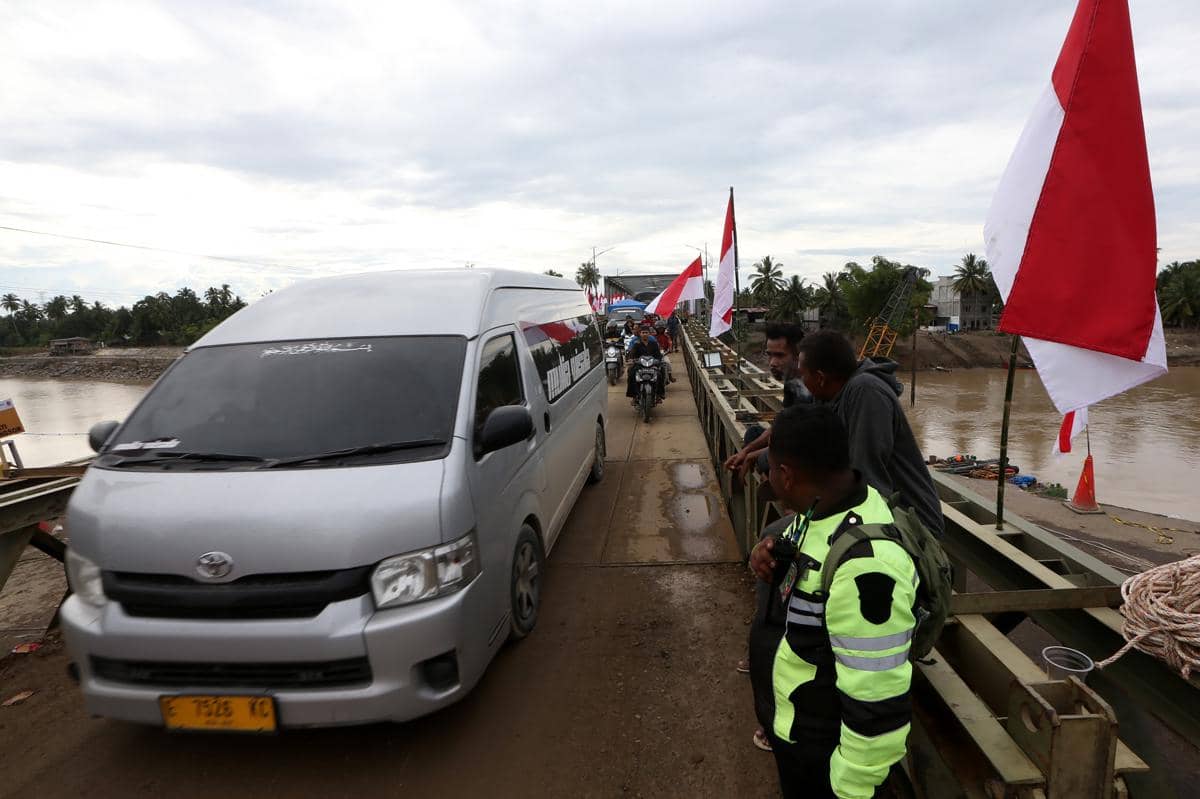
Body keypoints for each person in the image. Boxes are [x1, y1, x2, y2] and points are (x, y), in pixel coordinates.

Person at [748, 405, 916, 799]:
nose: (768, 478)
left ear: (786, 475)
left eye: (770, 470)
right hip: (797, 729)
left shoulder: (867, 567)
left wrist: (851, 788)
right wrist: (767, 551)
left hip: (824, 757)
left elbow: (876, 700)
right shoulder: (825, 506)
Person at [796, 331, 943, 536]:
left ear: (820, 378)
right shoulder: (828, 398)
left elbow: (866, 477)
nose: (801, 381)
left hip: (911, 524)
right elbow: (807, 444)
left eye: (802, 374)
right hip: (872, 512)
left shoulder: (866, 392)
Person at [724, 322, 808, 477]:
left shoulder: (808, 388)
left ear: (798, 356)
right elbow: (781, 425)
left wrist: (752, 455)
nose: (772, 363)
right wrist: (746, 451)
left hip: (806, 449)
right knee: (753, 433)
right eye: (770, 355)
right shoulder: (791, 382)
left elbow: (799, 442)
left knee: (763, 460)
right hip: (791, 437)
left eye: (780, 356)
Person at [625, 326, 665, 402]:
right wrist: (631, 360)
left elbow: (658, 355)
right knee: (631, 373)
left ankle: (659, 395)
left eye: (646, 332)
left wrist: (658, 360)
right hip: (639, 365)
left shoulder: (654, 344)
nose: (645, 334)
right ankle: (634, 396)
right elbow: (632, 355)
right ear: (640, 334)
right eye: (643, 333)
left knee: (660, 373)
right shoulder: (636, 344)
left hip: (652, 364)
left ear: (649, 334)